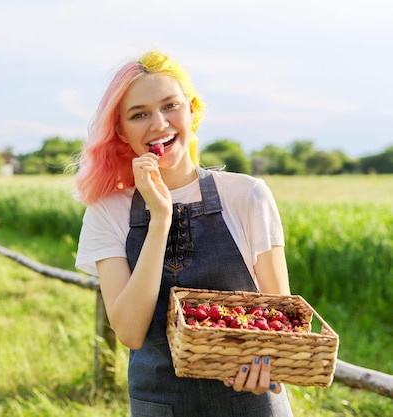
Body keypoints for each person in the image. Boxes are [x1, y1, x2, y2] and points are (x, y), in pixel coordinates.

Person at [74, 50, 294, 416]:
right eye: (139, 114)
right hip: (160, 406)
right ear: (121, 132)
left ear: (192, 110)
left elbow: (281, 323)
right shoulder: (106, 211)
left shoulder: (247, 195)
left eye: (170, 106)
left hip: (252, 403)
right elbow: (129, 331)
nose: (159, 123)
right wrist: (160, 219)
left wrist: (268, 366)